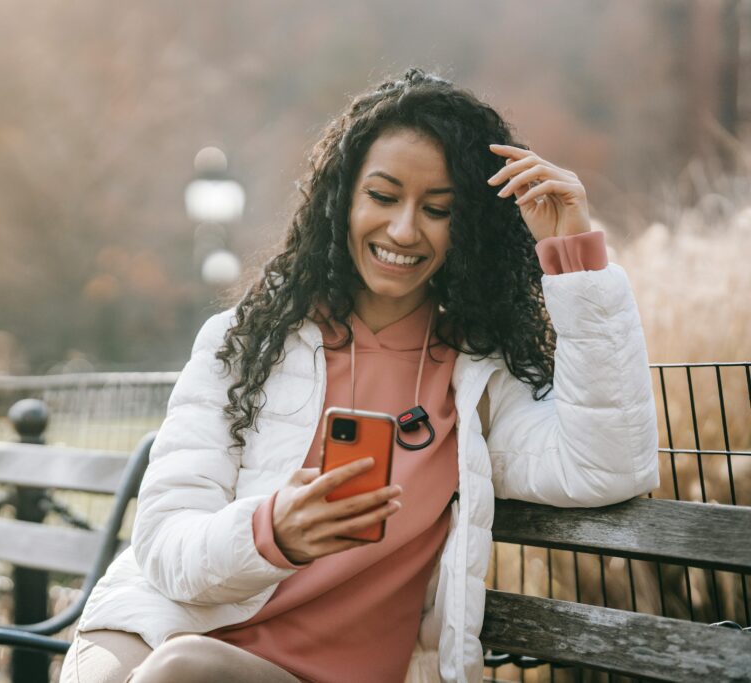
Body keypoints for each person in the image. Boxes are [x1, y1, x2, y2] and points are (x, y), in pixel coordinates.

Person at [61, 68, 659, 683]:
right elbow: (164, 545)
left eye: (437, 209)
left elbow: (608, 466)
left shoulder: (477, 379)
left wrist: (574, 258)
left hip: (296, 671)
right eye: (382, 196)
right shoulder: (246, 342)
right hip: (168, 620)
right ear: (342, 198)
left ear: (469, 226)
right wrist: (272, 533)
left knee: (182, 674)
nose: (403, 230)